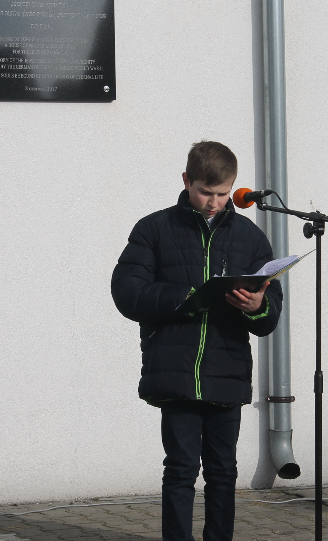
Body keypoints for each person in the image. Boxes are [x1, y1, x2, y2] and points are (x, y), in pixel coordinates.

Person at [112, 141, 282, 541]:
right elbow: (126, 291)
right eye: (206, 191)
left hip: (227, 370)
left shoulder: (251, 238)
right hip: (176, 372)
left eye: (224, 194)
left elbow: (269, 317)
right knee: (181, 467)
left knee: (224, 470)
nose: (214, 202)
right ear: (186, 180)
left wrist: (256, 304)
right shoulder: (154, 228)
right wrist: (187, 299)